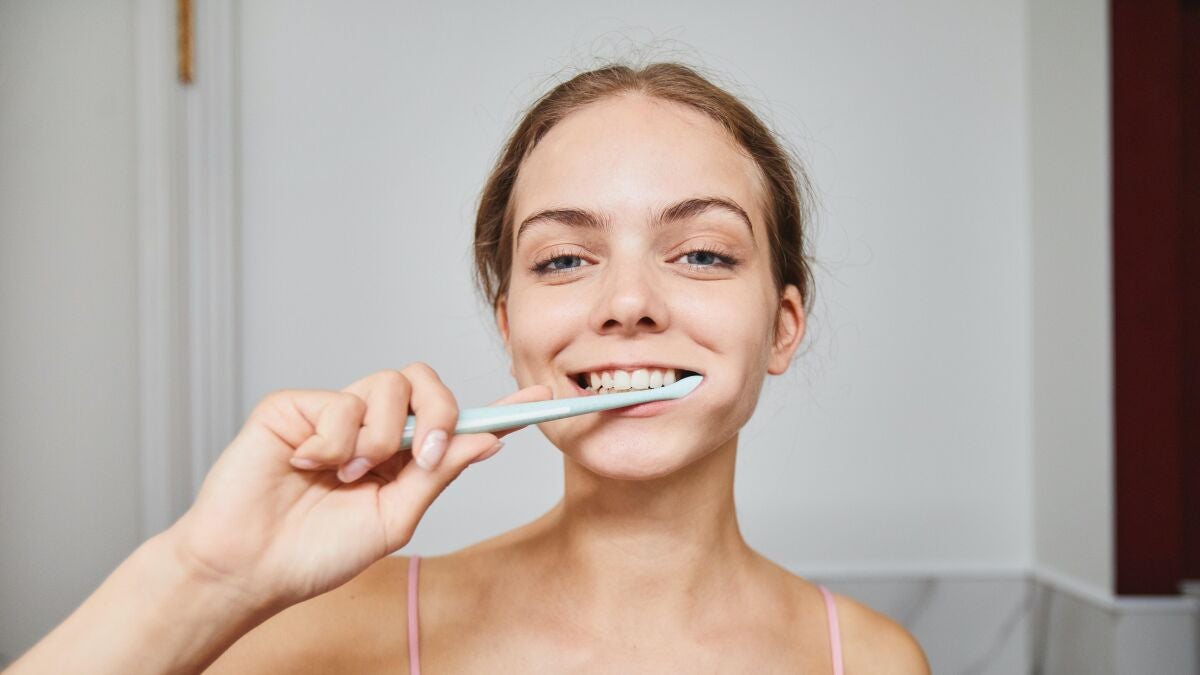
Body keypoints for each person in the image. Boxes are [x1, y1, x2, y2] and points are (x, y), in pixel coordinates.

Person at [7, 61, 931, 674]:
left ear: (782, 325)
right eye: (563, 259)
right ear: (510, 323)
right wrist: (207, 572)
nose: (627, 301)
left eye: (701, 253)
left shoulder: (872, 661)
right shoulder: (345, 631)